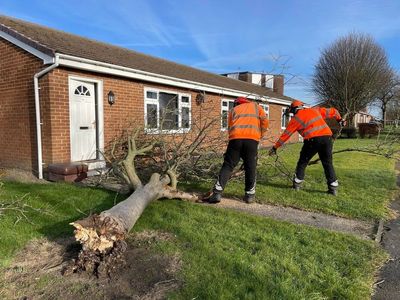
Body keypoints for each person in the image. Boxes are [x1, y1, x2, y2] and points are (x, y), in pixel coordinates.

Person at [269, 100, 345, 195]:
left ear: (295, 110)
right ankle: (333, 187)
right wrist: (340, 120)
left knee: (303, 162)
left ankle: (297, 184)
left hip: (312, 140)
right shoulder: (315, 110)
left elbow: (286, 135)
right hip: (327, 138)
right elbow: (333, 111)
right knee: (327, 163)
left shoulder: (296, 119)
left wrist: (275, 147)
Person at [206, 97, 269, 204]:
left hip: (235, 140)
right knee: (250, 167)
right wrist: (260, 135)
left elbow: (230, 127)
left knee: (228, 165)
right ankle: (249, 195)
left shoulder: (233, 110)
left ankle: (217, 193)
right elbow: (265, 122)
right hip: (252, 140)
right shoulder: (256, 107)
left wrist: (231, 142)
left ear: (237, 103)